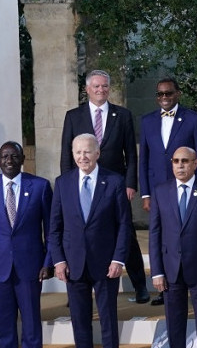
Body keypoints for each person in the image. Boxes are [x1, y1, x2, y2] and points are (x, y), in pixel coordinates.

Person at [58, 69, 150, 303]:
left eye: (105, 86)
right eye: (96, 86)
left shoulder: (123, 115)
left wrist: (130, 184)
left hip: (114, 187)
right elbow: (66, 156)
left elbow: (131, 153)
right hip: (82, 186)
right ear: (87, 89)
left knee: (125, 234)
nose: (101, 90)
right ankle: (77, 288)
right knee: (81, 235)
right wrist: (68, 188)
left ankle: (140, 285)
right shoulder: (73, 116)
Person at [49, 134, 132, 348]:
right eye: (78, 152)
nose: (82, 156)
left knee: (108, 320)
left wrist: (118, 259)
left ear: (97, 153)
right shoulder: (62, 183)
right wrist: (58, 260)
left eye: (87, 151)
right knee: (79, 321)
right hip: (73, 263)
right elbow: (55, 227)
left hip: (106, 264)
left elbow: (124, 224)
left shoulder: (114, 181)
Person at [139, 78, 197, 306]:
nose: (164, 98)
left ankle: (194, 283)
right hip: (160, 192)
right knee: (161, 237)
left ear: (178, 94)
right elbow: (145, 160)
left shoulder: (193, 119)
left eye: (168, 93)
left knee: (192, 234)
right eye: (160, 94)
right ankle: (165, 286)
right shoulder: (147, 121)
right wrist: (146, 193)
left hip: (189, 189)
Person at [148, 147, 197, 348]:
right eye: (176, 161)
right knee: (174, 324)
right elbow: (155, 233)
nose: (180, 165)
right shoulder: (160, 192)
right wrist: (156, 272)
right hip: (170, 269)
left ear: (195, 163)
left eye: (185, 161)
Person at [0, 141, 53, 348]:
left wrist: (48, 261)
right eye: (4, 156)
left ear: (23, 160)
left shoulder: (40, 186)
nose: (9, 160)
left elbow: (50, 229)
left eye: (14, 156)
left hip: (30, 267)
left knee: (31, 323)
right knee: (4, 324)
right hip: (1, 266)